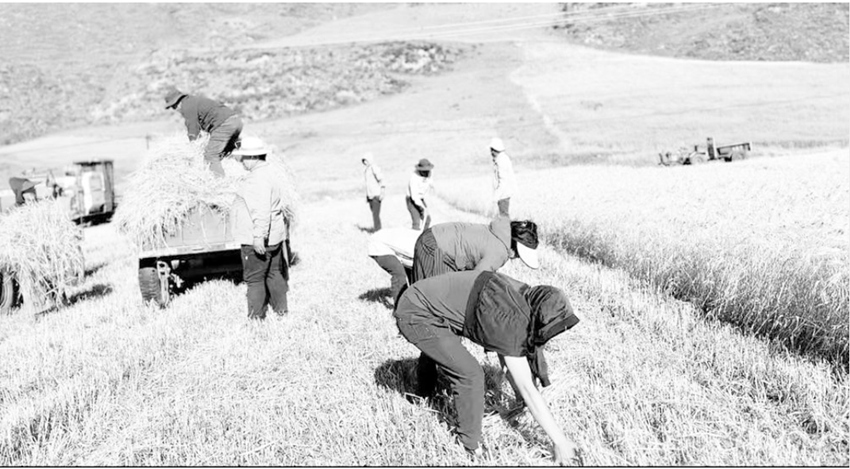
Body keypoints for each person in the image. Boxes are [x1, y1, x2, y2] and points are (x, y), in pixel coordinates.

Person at [393, 270, 580, 463]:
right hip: (415, 313)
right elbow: (525, 386)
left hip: (424, 300)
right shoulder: (510, 321)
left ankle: (421, 394)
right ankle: (469, 445)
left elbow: (511, 361)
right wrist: (560, 442)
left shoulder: (519, 296)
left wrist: (521, 403)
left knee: (446, 350)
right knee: (470, 374)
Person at [230, 136, 290, 320]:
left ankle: (256, 319)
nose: (241, 161)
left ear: (253, 157)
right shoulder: (271, 172)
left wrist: (258, 237)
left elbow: (261, 211)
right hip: (275, 237)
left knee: (254, 280)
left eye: (244, 157)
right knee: (274, 274)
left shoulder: (256, 179)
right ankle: (281, 312)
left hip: (258, 238)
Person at [412, 217, 539, 282]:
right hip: (433, 246)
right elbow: (476, 279)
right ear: (514, 247)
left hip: (434, 237)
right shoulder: (499, 252)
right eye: (518, 255)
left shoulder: (498, 234)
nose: (516, 258)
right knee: (432, 295)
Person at [164, 87, 243, 177]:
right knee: (226, 152)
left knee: (210, 155)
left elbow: (192, 128)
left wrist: (193, 146)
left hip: (225, 125)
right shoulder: (193, 101)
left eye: (173, 107)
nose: (175, 109)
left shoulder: (187, 106)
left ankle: (219, 181)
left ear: (177, 102)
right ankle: (243, 170)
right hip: (235, 121)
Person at [366, 227, 427, 306]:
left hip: (400, 248)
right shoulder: (424, 250)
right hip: (379, 245)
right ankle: (400, 308)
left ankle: (413, 303)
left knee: (413, 274)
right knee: (399, 274)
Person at [490, 138, 516, 217]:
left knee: (504, 217)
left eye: (492, 150)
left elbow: (503, 181)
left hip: (503, 195)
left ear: (495, 150)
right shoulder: (502, 158)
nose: (491, 152)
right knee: (503, 216)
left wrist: (496, 197)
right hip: (504, 194)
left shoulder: (501, 161)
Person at [406, 158, 433, 230]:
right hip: (412, 200)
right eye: (424, 171)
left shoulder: (429, 173)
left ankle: (424, 235)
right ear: (420, 170)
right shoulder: (414, 178)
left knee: (427, 219)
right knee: (416, 222)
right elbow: (414, 196)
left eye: (427, 171)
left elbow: (430, 183)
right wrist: (422, 207)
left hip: (421, 198)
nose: (426, 173)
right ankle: (415, 235)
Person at [361, 153, 386, 231]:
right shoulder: (366, 170)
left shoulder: (374, 168)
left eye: (366, 160)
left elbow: (381, 179)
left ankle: (378, 230)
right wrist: (367, 196)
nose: (365, 162)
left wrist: (382, 192)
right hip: (370, 196)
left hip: (376, 194)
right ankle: (378, 229)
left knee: (375, 214)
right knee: (374, 213)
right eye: (364, 161)